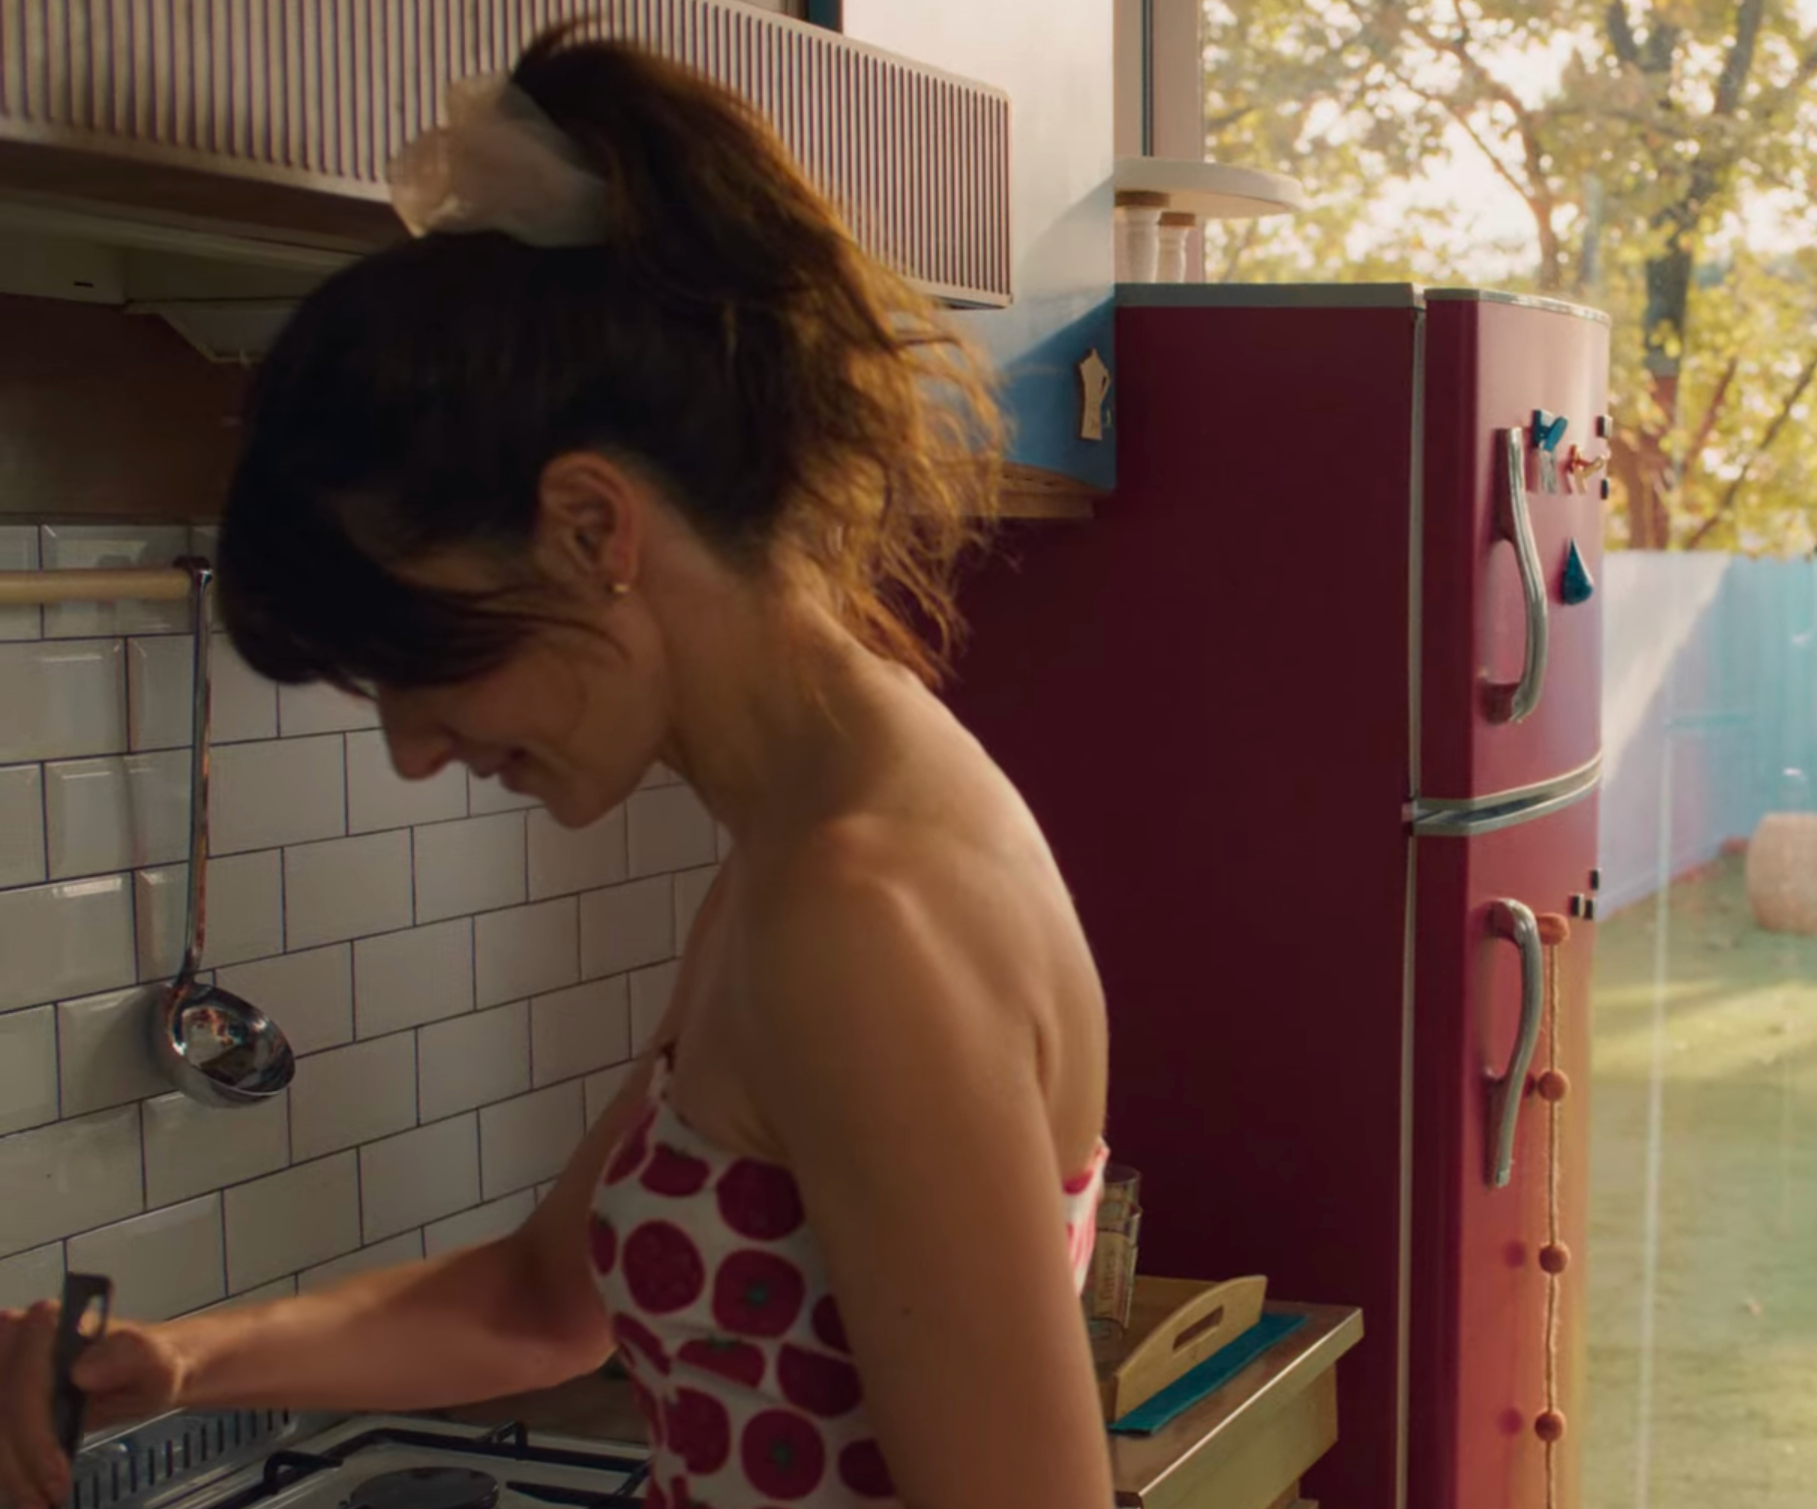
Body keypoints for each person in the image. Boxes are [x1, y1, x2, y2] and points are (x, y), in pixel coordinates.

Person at [0, 29, 1115, 1509]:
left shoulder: (860, 911)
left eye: (422, 654)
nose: (412, 750)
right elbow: (546, 1300)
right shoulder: (807, 838)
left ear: (594, 528)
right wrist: (184, 1361)